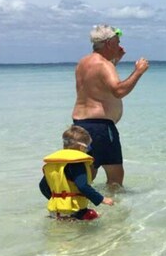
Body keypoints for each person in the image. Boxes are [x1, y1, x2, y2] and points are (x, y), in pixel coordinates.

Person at [72, 24, 149, 187]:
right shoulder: (104, 64)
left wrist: (114, 61)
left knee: (87, 173)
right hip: (100, 127)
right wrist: (138, 71)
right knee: (115, 177)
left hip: (80, 125)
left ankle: (77, 207)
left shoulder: (83, 63)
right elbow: (118, 90)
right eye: (117, 42)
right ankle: (115, 210)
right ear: (108, 44)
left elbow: (98, 85)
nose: (120, 46)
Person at [39, 125, 114, 220]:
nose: (88, 150)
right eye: (89, 147)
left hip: (55, 211)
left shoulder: (55, 164)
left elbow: (43, 186)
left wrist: (59, 200)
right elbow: (82, 186)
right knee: (95, 216)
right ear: (82, 147)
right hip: (75, 211)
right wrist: (102, 199)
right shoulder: (77, 163)